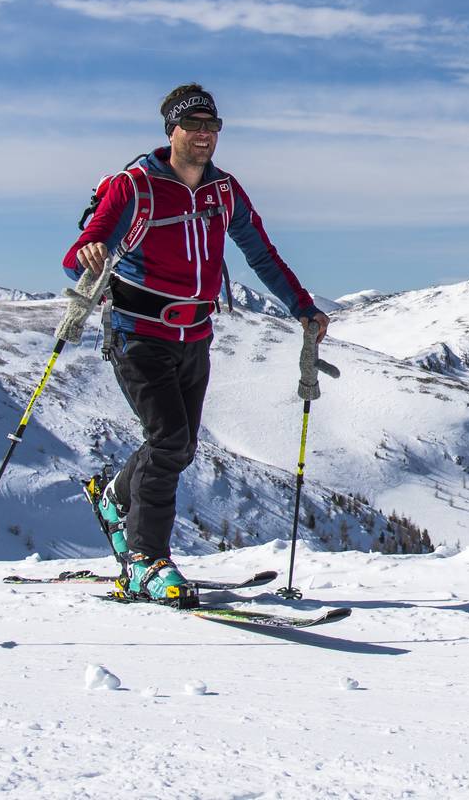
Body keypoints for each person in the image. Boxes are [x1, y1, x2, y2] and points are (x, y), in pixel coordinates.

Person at [63, 83, 327, 606]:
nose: (205, 135)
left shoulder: (224, 192)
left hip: (195, 334)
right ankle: (146, 561)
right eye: (195, 125)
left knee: (180, 446)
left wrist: (302, 307)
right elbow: (79, 257)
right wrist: (90, 251)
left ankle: (118, 496)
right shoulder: (132, 186)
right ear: (173, 130)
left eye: (214, 126)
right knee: (167, 440)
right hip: (137, 331)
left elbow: (261, 254)